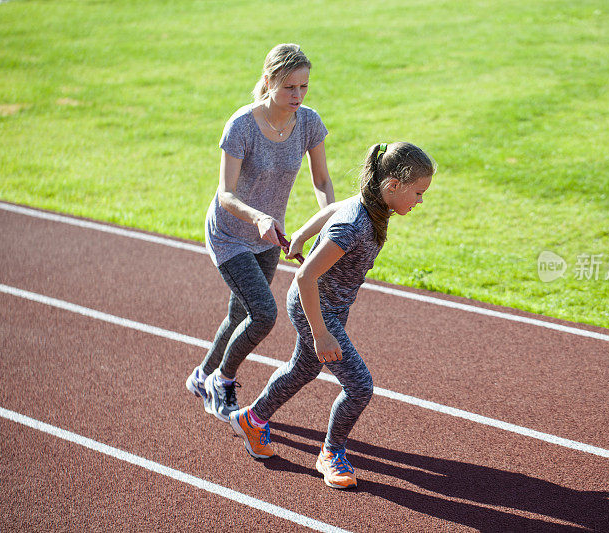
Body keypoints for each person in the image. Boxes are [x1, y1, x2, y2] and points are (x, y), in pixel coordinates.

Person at [229, 142, 435, 489]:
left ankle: (252, 418)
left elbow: (334, 208)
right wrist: (321, 333)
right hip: (317, 309)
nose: (420, 201)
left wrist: (299, 235)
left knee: (303, 369)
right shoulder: (355, 226)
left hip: (329, 307)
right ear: (394, 185)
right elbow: (305, 276)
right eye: (418, 193)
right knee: (359, 387)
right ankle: (331, 453)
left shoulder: (370, 205)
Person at [185, 43, 335, 421]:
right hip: (231, 234)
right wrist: (259, 218)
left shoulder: (309, 122)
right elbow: (226, 195)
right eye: (289, 88)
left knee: (241, 312)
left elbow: (321, 179)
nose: (298, 96)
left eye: (303, 87)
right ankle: (222, 380)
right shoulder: (241, 126)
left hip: (268, 237)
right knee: (264, 314)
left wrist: (327, 219)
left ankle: (201, 374)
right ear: (268, 82)